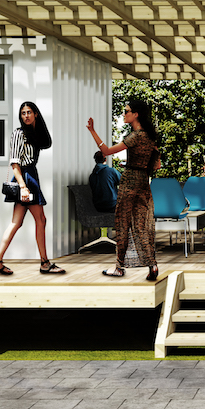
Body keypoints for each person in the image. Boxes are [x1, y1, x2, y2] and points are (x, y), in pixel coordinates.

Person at [87, 99, 160, 280]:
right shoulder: (150, 137)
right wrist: (137, 163)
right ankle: (152, 264)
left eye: (127, 111)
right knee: (142, 224)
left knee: (122, 222)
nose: (124, 113)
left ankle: (119, 267)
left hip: (129, 182)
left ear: (136, 114)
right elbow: (156, 165)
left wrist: (92, 131)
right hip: (143, 181)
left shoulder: (134, 136)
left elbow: (106, 150)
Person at [0, 101, 64, 275]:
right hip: (25, 178)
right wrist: (23, 187)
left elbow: (46, 142)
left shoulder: (34, 134)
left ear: (36, 114)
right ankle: (44, 263)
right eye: (23, 113)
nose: (26, 115)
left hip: (30, 175)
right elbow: (15, 163)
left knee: (17, 222)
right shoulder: (19, 133)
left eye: (29, 112)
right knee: (40, 220)